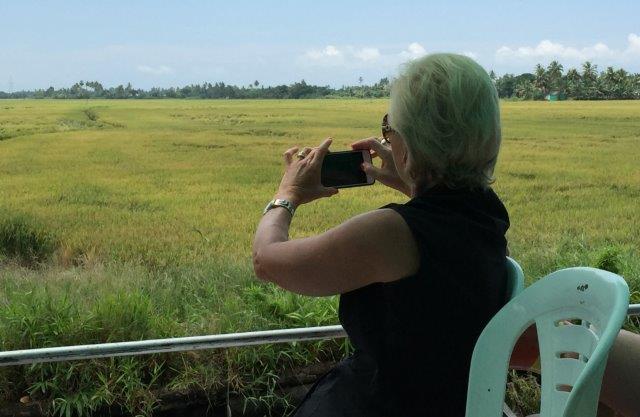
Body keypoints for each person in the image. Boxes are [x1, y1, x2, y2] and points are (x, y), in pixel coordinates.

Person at [253, 53, 507, 416]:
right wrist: (411, 180)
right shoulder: (487, 215)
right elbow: (443, 221)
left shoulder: (390, 234)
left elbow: (267, 261)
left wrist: (287, 195)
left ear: (410, 141)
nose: (388, 139)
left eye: (390, 129)